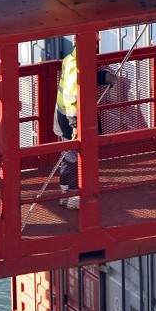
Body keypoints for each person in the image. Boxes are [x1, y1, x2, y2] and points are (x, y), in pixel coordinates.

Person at [55, 46, 112, 209]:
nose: (97, 47)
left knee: (68, 155)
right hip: (71, 119)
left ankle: (66, 192)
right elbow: (73, 95)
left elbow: (84, 78)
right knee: (74, 157)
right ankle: (74, 196)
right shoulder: (75, 65)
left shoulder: (71, 59)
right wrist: (75, 125)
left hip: (63, 116)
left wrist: (103, 77)